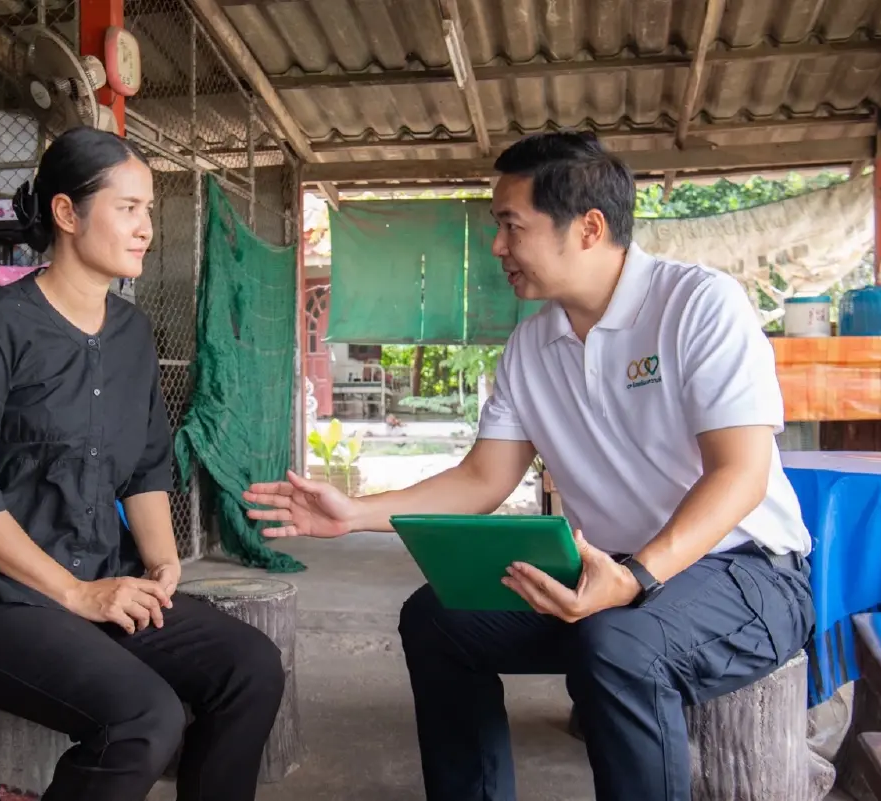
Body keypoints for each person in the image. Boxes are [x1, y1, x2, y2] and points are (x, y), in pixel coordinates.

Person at [244, 131, 815, 801]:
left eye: (511, 225)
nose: (497, 246)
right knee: (438, 621)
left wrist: (634, 576)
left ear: (589, 228)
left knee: (618, 643)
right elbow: (484, 478)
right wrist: (357, 515)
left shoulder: (696, 305)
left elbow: (740, 474)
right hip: (606, 571)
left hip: (748, 572)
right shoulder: (531, 344)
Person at [0, 127, 284, 801]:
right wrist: (74, 592)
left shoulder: (131, 336)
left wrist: (160, 565)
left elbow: (147, 465)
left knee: (250, 666)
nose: (146, 228)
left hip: (100, 579)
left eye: (149, 209)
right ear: (67, 214)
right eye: (127, 208)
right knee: (142, 718)